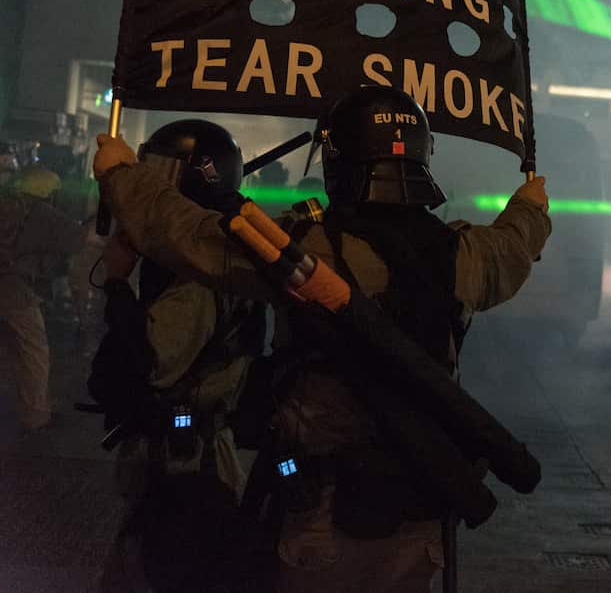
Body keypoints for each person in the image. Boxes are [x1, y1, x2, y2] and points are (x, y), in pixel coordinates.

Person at [93, 85, 551, 592]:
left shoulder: (306, 252)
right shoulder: (464, 253)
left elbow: (190, 235)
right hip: (421, 505)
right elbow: (513, 245)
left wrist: (121, 175)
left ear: (337, 160)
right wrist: (530, 206)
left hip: (324, 511)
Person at [93, 120, 267, 593]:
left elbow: (146, 364)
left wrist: (116, 283)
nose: (151, 181)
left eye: (164, 171)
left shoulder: (196, 278)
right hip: (185, 454)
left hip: (186, 462)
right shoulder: (207, 255)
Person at [0, 164, 83, 432]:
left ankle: (30, 404)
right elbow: (77, 240)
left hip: (7, 284)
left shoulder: (7, 204)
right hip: (14, 290)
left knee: (14, 348)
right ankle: (36, 414)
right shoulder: (44, 213)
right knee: (34, 351)